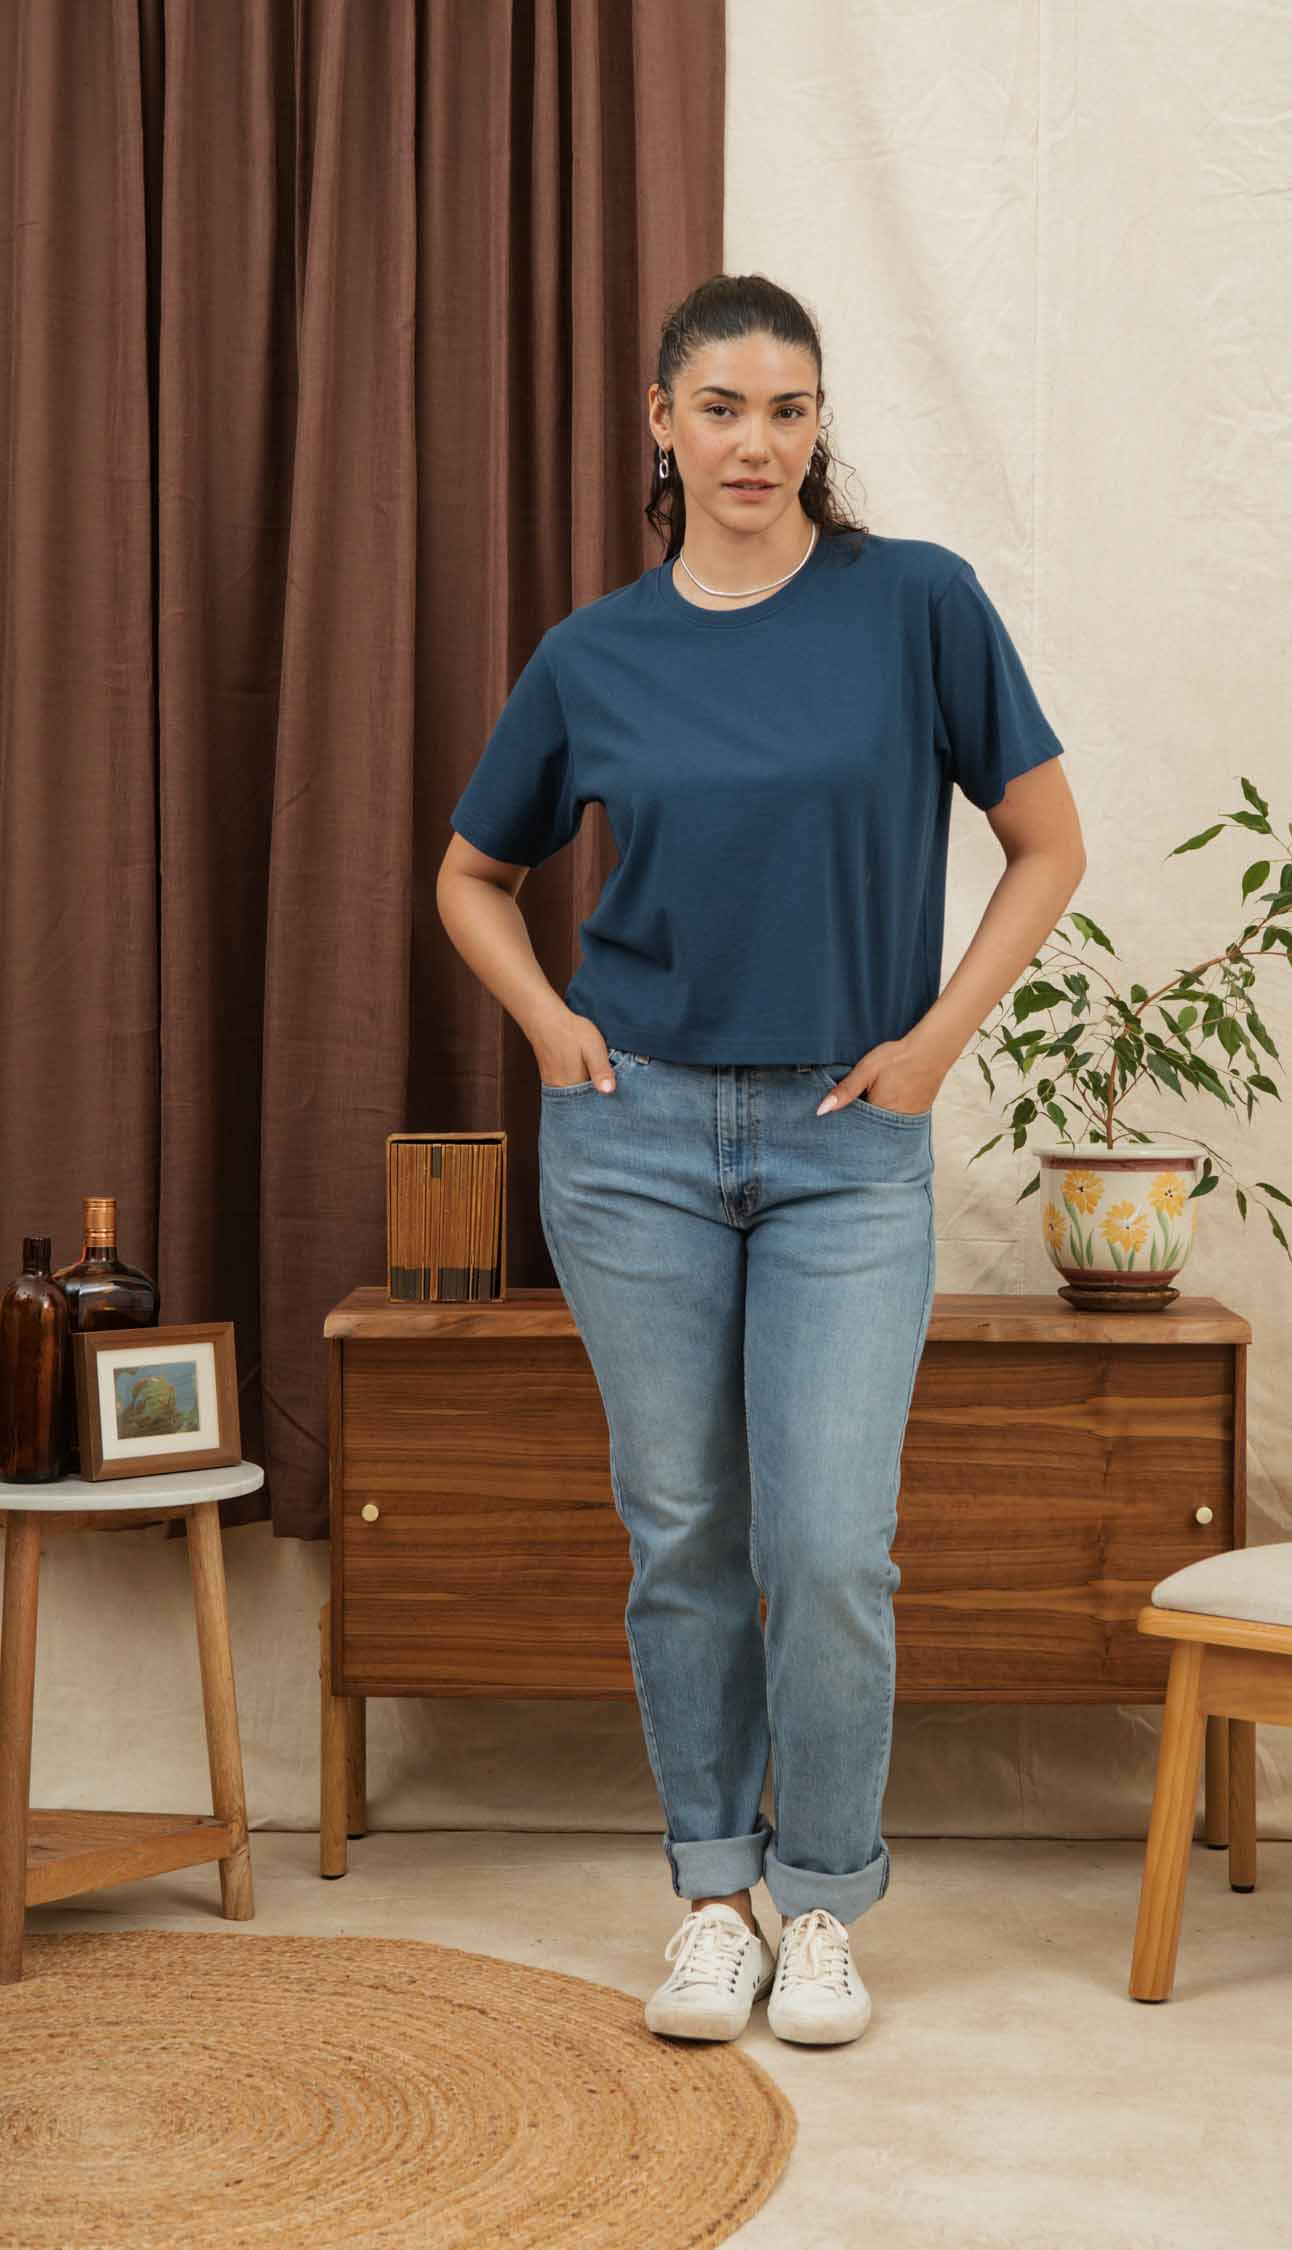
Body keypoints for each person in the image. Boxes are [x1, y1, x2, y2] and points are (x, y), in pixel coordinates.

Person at [437, 273, 1086, 2047]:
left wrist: (933, 1046)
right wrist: (555, 1036)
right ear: (661, 423)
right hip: (631, 1142)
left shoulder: (915, 607)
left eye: (788, 408)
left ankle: (827, 1903)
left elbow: (1047, 842)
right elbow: (470, 873)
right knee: (684, 1534)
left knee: (829, 1540)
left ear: (820, 426)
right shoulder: (595, 652)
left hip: (842, 1144)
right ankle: (713, 1897)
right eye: (720, 406)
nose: (756, 441)